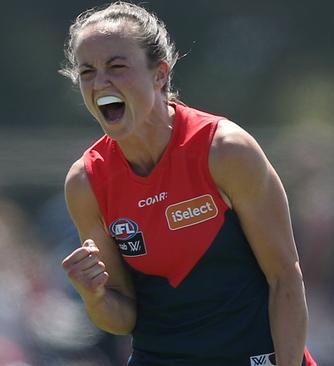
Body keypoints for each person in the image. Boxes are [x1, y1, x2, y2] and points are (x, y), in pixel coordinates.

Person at [59, 2, 316, 366]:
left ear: (160, 74)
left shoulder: (224, 151)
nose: (101, 82)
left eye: (117, 67)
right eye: (87, 72)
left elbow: (285, 278)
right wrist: (94, 295)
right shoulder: (86, 182)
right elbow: (123, 318)